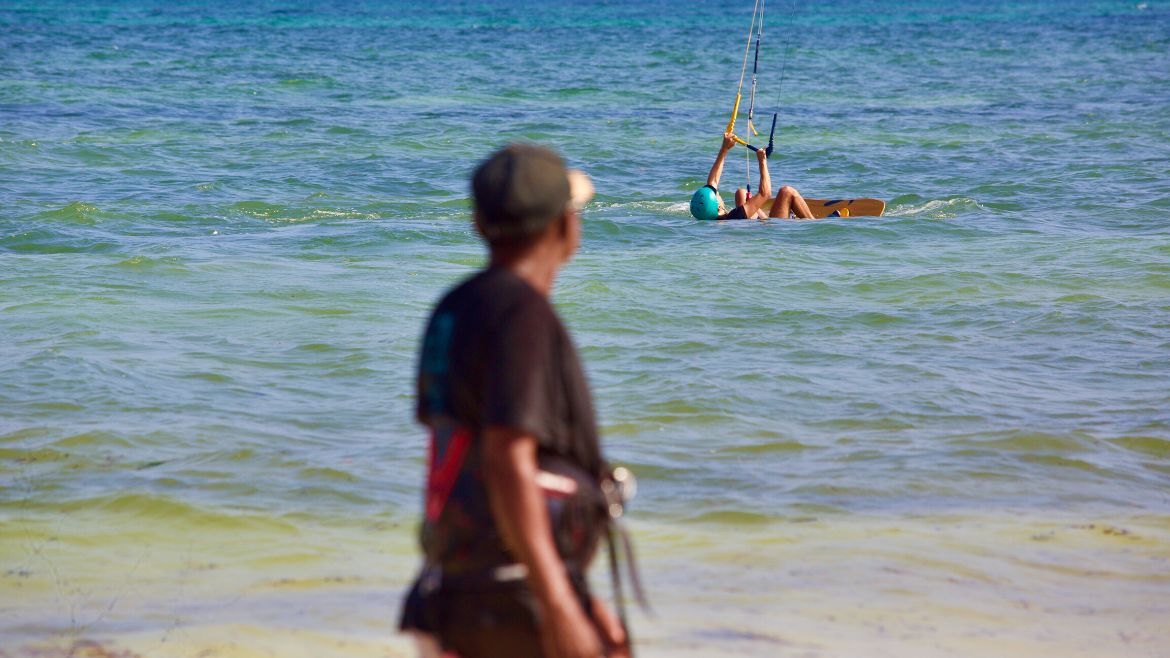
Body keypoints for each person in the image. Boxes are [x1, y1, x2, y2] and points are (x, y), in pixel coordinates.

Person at [399, 143, 629, 658]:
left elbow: (455, 461)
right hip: (511, 600)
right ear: (566, 229)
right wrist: (560, 606)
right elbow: (506, 459)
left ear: (479, 225)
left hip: (456, 587)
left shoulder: (454, 308)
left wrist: (577, 595)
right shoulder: (523, 317)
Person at [689, 132, 815, 220]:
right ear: (719, 208)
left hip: (758, 224)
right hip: (773, 231)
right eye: (717, 196)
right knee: (786, 192)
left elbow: (713, 181)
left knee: (742, 193)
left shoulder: (709, 217)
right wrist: (762, 161)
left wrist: (724, 149)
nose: (718, 193)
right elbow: (765, 193)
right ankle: (814, 223)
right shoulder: (735, 216)